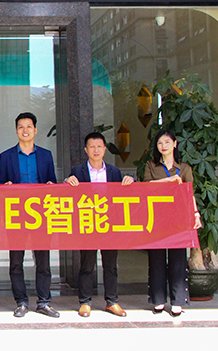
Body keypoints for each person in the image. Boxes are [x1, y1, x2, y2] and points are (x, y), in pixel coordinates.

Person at [64, 132, 134, 318]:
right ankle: (85, 302)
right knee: (87, 264)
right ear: (86, 150)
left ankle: (112, 301)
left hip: (108, 225)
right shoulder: (77, 171)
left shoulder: (113, 172)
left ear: (104, 149)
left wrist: (130, 182)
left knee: (110, 265)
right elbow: (66, 193)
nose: (96, 150)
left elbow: (123, 195)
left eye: (99, 146)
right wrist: (66, 181)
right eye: (92, 147)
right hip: (87, 223)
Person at [0, 112, 59, 318]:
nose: (25, 130)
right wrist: (5, 187)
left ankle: (44, 301)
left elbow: (52, 182)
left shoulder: (45, 155)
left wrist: (50, 185)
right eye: (21, 127)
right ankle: (21, 302)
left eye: (29, 126)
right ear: (16, 131)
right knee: (16, 261)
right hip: (16, 215)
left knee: (43, 261)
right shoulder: (6, 156)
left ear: (35, 130)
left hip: (41, 215)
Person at [143, 128, 203, 317]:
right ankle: (158, 300)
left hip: (178, 219)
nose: (163, 146)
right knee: (156, 259)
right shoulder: (151, 165)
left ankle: (178, 301)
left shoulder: (184, 168)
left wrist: (195, 213)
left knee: (178, 259)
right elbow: (145, 186)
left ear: (175, 144)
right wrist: (168, 180)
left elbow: (189, 193)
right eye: (160, 143)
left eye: (167, 142)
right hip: (156, 218)